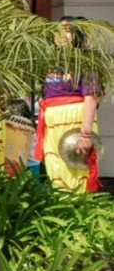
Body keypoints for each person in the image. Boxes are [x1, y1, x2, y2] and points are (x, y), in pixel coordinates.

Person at [36, 16, 103, 192]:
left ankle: (78, 208)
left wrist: (86, 134)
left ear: (77, 35)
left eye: (67, 31)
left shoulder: (86, 61)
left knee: (77, 171)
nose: (60, 35)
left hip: (75, 123)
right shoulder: (49, 62)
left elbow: (91, 97)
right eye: (57, 30)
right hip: (52, 125)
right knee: (55, 170)